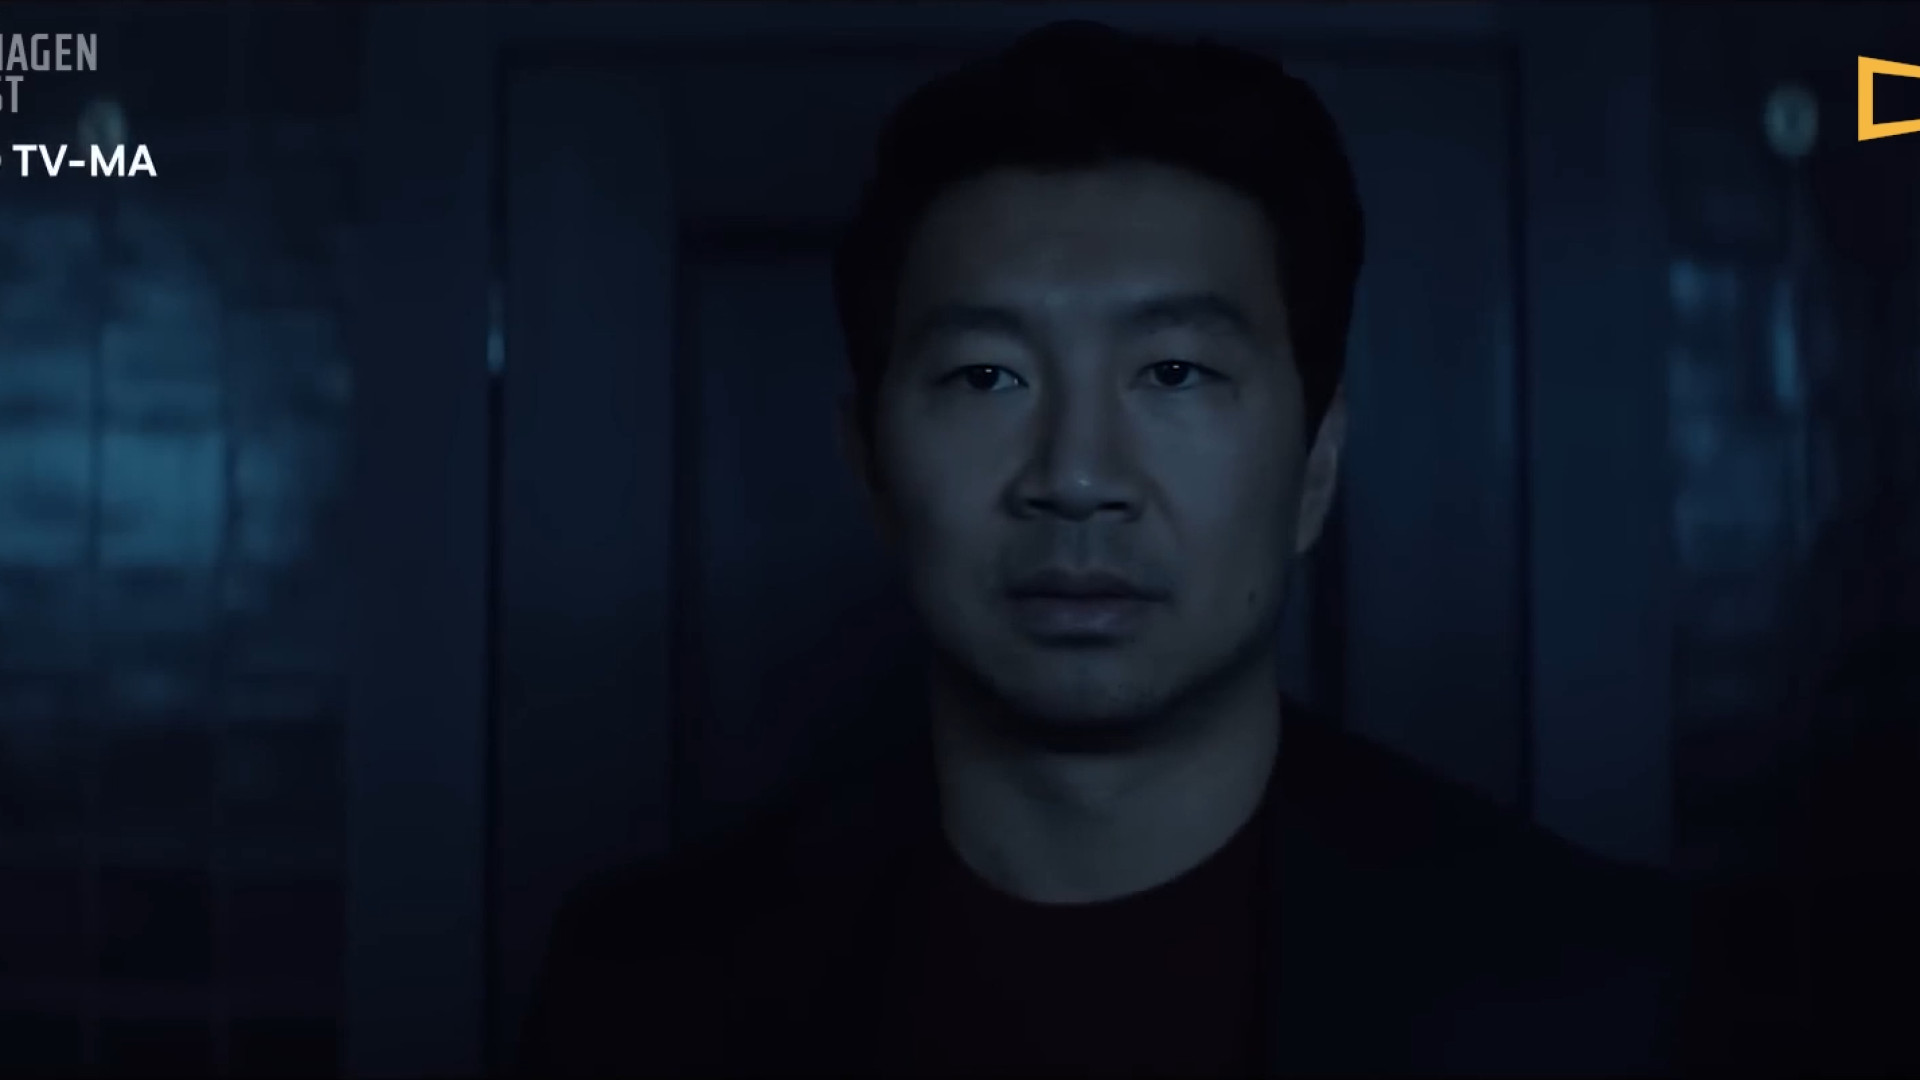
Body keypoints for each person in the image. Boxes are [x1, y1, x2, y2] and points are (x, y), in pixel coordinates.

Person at [519, 20, 1681, 1076]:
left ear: (1316, 465)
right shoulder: (646, 995)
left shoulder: (1588, 989)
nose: (1076, 476)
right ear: (870, 463)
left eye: (1174, 372)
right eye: (988, 377)